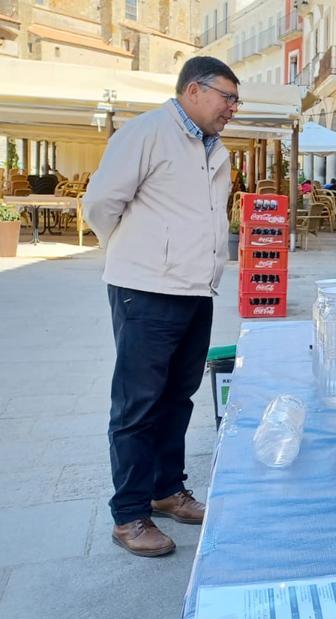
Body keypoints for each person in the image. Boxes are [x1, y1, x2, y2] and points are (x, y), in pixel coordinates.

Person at [83, 56, 240, 557]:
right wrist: (140, 254)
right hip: (147, 289)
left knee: (179, 397)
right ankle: (129, 514)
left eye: (236, 100)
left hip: (196, 291)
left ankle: (168, 490)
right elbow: (101, 204)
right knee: (138, 404)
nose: (232, 108)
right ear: (194, 90)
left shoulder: (217, 150)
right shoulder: (146, 133)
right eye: (226, 97)